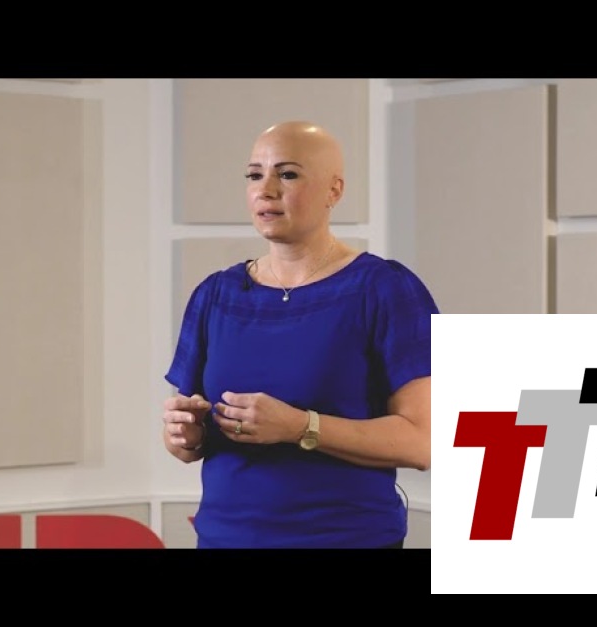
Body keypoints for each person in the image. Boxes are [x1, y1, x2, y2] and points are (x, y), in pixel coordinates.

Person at [162, 120, 439, 548]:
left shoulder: (385, 289)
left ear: (334, 190)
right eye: (254, 175)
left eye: (288, 174)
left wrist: (301, 427)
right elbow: (187, 446)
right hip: (224, 538)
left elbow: (424, 443)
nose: (266, 190)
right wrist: (185, 435)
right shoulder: (215, 295)